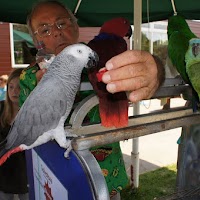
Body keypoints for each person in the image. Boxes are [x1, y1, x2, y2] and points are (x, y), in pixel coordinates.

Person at [20, 1, 165, 199]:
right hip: (57, 178)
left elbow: (138, 69)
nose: (55, 32)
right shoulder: (29, 78)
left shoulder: (101, 55)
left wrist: (154, 71)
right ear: (36, 40)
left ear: (76, 26)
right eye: (44, 29)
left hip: (107, 177)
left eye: (62, 23)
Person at [0, 68, 29, 200]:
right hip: (3, 171)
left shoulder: (33, 112)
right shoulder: (1, 108)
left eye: (19, 87)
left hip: (26, 171)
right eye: (10, 87)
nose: (14, 91)